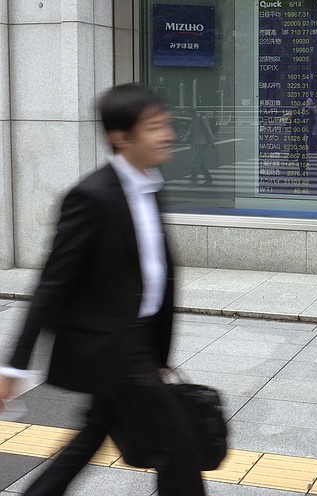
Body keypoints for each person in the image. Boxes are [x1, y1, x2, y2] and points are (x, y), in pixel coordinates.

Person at [0, 84, 205, 495]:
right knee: (180, 450)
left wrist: (157, 351)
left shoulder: (150, 184)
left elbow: (153, 274)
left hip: (137, 346)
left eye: (165, 124)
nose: (167, 134)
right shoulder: (92, 195)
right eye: (154, 127)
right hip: (112, 348)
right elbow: (51, 283)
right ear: (120, 137)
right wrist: (13, 367)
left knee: (91, 437)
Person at [185, 109, 215, 185]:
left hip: (203, 143)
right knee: (201, 162)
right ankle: (208, 178)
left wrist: (212, 142)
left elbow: (208, 130)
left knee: (195, 161)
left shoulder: (202, 118)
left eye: (190, 114)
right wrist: (191, 143)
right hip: (198, 143)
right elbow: (191, 132)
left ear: (193, 112)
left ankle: (193, 180)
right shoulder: (194, 120)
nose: (190, 116)